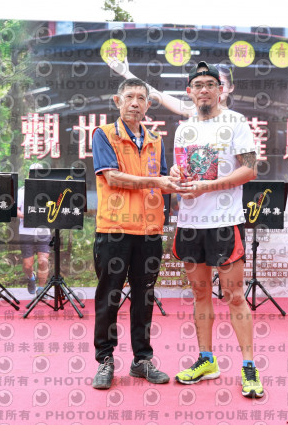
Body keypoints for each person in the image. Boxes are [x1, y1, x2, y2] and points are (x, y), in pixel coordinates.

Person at [171, 61, 263, 398]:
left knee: (234, 296)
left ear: (220, 90)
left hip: (224, 222)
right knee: (200, 295)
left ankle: (249, 366)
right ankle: (207, 360)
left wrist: (207, 188)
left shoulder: (236, 122)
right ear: (189, 92)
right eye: (198, 85)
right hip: (190, 222)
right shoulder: (183, 129)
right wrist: (177, 177)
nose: (204, 90)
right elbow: (182, 172)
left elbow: (250, 170)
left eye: (210, 84)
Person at [91, 77, 182, 389]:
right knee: (109, 298)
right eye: (129, 97)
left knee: (144, 298)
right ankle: (105, 360)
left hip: (149, 232)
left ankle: (142, 360)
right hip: (114, 230)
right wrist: (156, 181)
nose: (135, 103)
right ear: (117, 101)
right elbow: (113, 178)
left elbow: (164, 181)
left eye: (141, 98)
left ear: (148, 104)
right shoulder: (103, 134)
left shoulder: (156, 140)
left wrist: (175, 178)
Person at [107, 57, 235, 117]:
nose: (217, 90)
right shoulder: (194, 111)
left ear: (231, 88)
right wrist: (126, 74)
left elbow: (244, 163)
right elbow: (155, 93)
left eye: (222, 84)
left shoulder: (236, 121)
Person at [16, 163, 51, 295]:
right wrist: (26, 216)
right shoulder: (22, 191)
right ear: (29, 174)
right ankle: (31, 278)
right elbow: (16, 210)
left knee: (43, 261)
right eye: (34, 172)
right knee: (27, 265)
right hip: (26, 231)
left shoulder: (48, 190)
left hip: (43, 231)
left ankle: (41, 290)